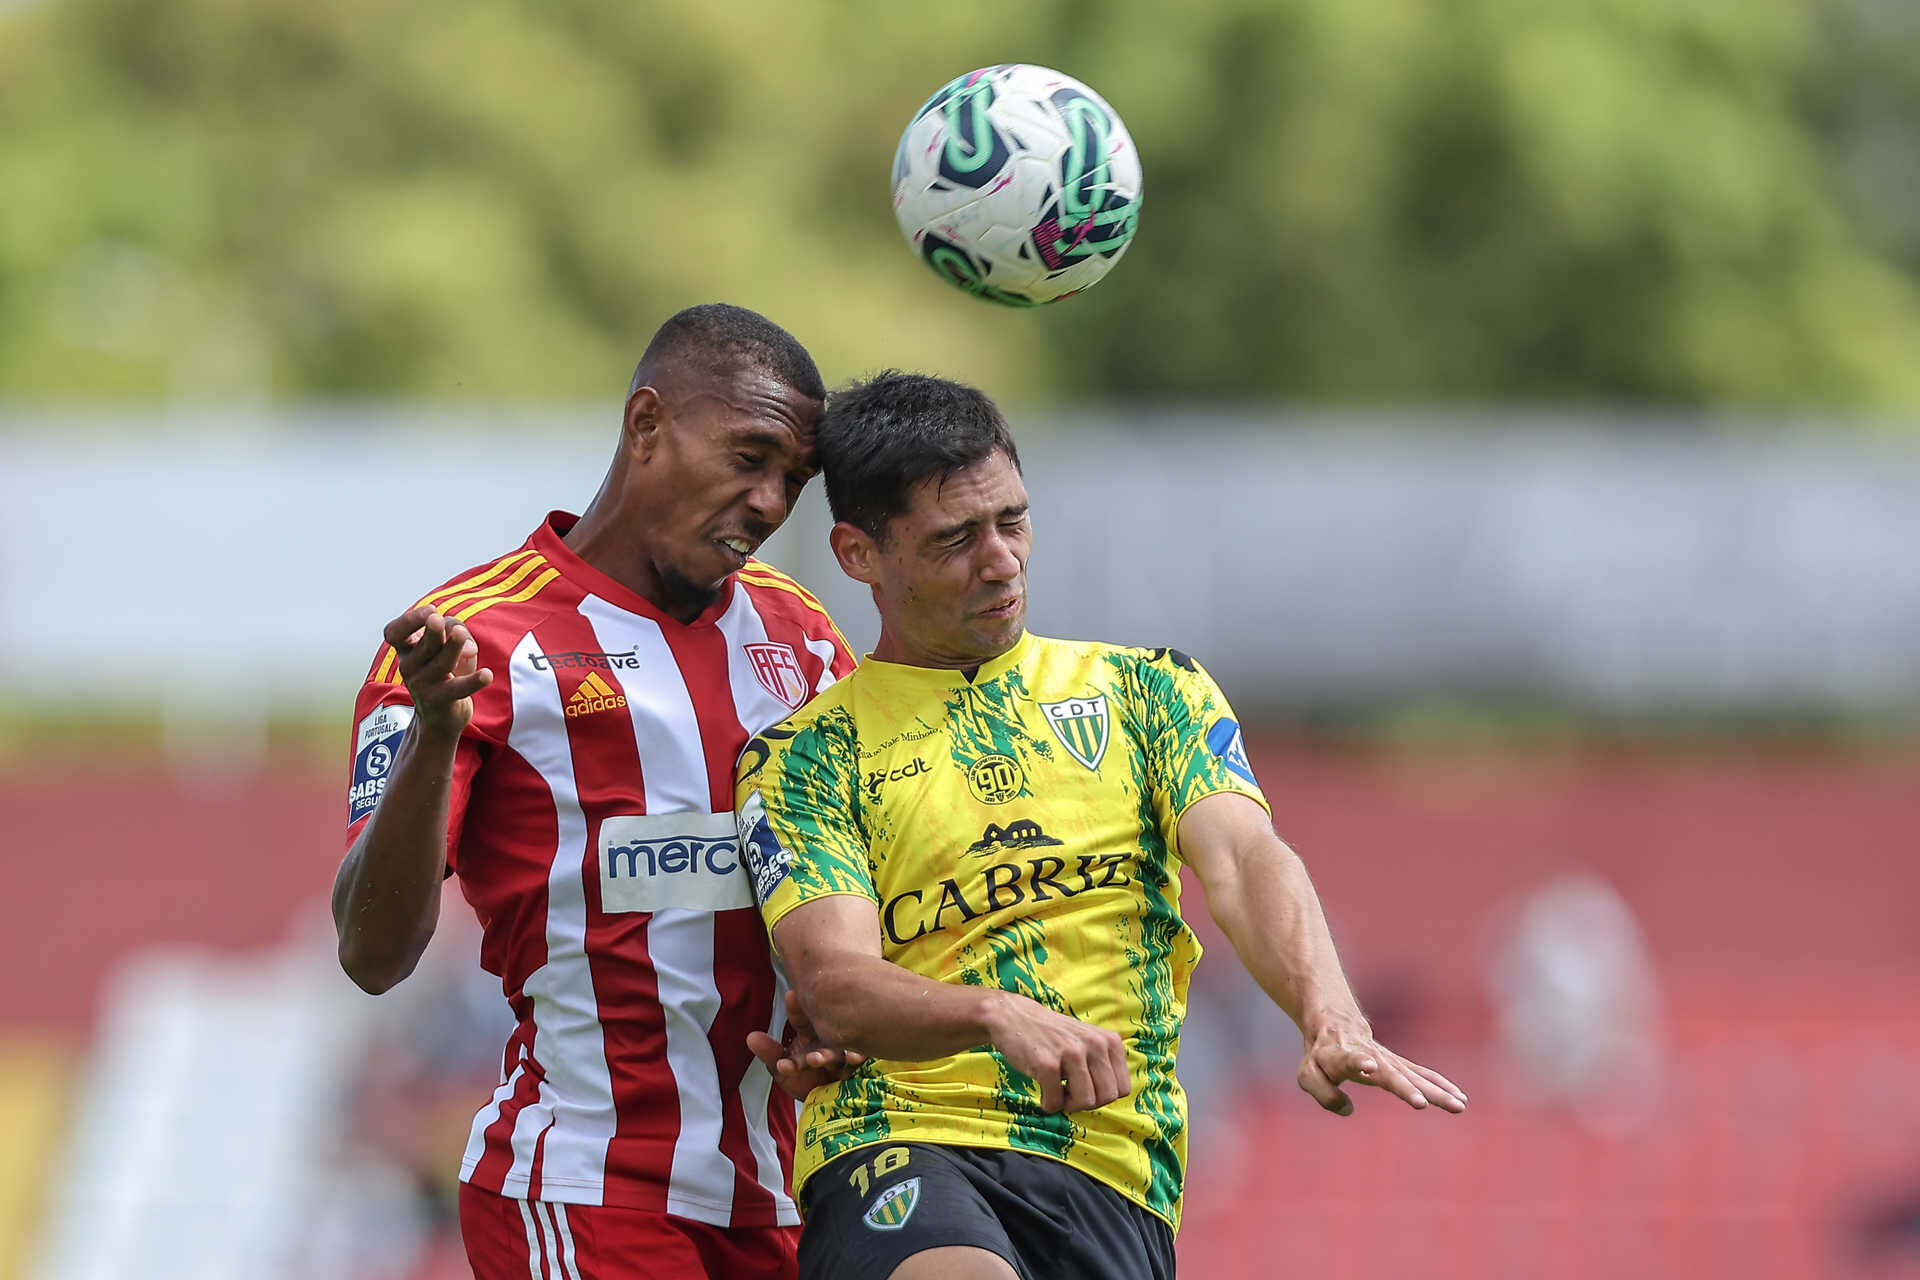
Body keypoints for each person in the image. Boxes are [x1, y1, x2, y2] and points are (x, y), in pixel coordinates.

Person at [735, 372, 1467, 1280]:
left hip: (1112, 1168)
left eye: (1012, 519)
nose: (1000, 559)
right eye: (956, 538)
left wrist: (1327, 1011)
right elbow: (834, 982)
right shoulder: (807, 753)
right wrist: (997, 1015)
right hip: (901, 1135)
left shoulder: (1150, 690)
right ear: (858, 553)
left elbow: (1242, 858)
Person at [332, 304, 860, 1280]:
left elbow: (857, 881)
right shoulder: (471, 641)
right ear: (647, 424)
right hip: (584, 1188)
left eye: (793, 478)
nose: (772, 500)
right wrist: (436, 734)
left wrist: (835, 1012)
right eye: (750, 456)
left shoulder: (805, 637)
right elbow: (371, 950)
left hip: (777, 1198)